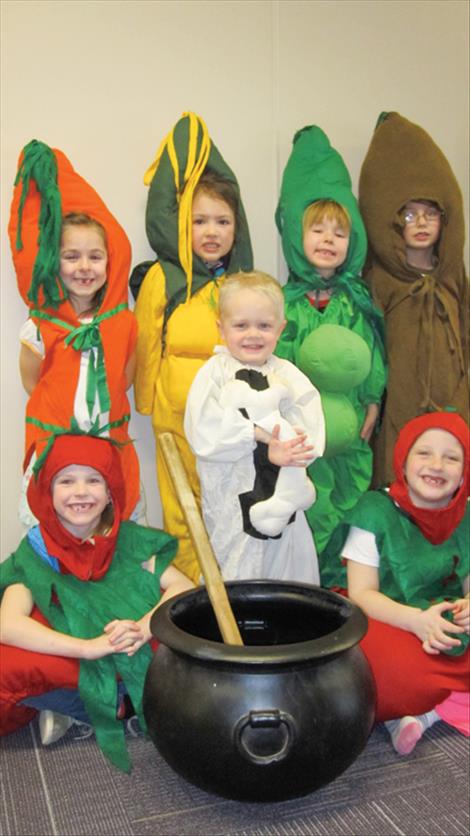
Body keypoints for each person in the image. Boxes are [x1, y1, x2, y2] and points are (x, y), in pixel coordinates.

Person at [0, 434, 194, 772]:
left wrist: (143, 629)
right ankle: (105, 706)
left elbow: (182, 586)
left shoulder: (130, 539)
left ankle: (101, 706)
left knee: (195, 636)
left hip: (133, 642)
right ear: (48, 491)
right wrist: (88, 647)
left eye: (93, 480)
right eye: (67, 480)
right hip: (79, 649)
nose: (80, 492)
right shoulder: (36, 550)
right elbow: (9, 624)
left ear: (109, 494)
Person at [132, 112, 253, 584]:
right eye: (199, 220)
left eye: (222, 221)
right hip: (173, 414)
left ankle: (230, 585)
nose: (211, 231)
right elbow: (146, 342)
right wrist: (145, 403)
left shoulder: (241, 283)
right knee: (181, 506)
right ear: (182, 224)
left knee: (226, 501)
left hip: (227, 420)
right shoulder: (165, 278)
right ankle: (188, 590)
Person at [274, 125, 386, 585]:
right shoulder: (288, 302)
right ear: (297, 234)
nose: (327, 239)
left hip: (350, 432)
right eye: (316, 229)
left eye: (339, 232)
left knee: (348, 497)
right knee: (307, 503)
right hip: (303, 437)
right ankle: (305, 583)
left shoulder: (356, 300)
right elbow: (276, 361)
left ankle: (344, 587)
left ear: (352, 240)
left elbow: (372, 357)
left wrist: (374, 402)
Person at [8, 140, 140, 523]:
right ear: (54, 263)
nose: (84, 267)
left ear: (109, 263)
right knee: (53, 534)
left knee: (113, 533)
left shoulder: (124, 325)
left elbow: (125, 379)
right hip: (55, 452)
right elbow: (34, 382)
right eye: (71, 256)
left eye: (95, 256)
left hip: (109, 448)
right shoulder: (39, 327)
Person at [341, 412, 469, 755]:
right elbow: (361, 594)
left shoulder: (466, 514)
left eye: (452, 457)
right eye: (424, 453)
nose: (437, 465)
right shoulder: (375, 509)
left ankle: (426, 714)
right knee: (376, 675)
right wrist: (415, 621)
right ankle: (427, 704)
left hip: (444, 618)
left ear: (464, 473)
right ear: (403, 460)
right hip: (385, 616)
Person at [184, 271, 325, 583]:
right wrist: (257, 435)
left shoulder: (287, 374)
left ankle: (290, 623)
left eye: (264, 326)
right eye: (241, 325)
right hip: (232, 495)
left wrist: (292, 446)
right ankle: (234, 625)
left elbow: (309, 423)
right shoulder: (214, 375)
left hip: (281, 493)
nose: (253, 335)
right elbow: (204, 433)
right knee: (235, 557)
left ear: (280, 329)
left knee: (285, 557)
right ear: (221, 328)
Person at [359, 112, 469, 487]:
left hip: (453, 405)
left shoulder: (452, 278)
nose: (421, 223)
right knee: (399, 484)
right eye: (409, 214)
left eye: (430, 214)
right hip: (399, 410)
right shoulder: (380, 281)